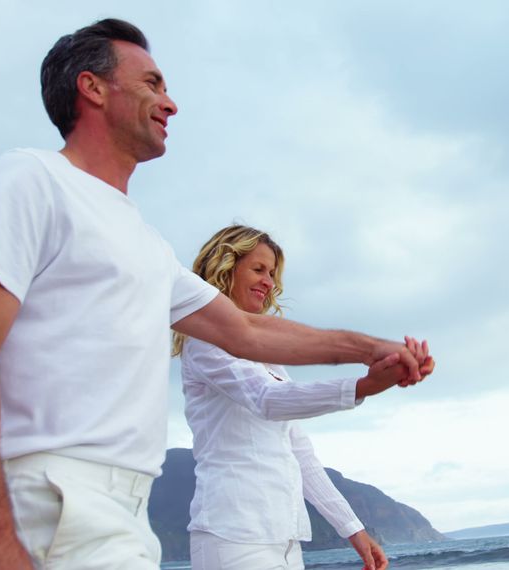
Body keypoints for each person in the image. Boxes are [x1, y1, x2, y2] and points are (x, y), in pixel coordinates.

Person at [0, 19, 432, 570]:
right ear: (91, 87)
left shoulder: (147, 245)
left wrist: (371, 349)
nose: (170, 104)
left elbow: (247, 331)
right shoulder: (28, 179)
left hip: (127, 512)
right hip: (51, 497)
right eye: (151, 83)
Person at [176, 226, 433, 570]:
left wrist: (353, 529)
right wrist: (362, 387)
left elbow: (300, 452)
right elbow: (267, 399)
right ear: (226, 269)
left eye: (272, 274)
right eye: (258, 269)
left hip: (285, 539)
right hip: (233, 535)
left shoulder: (270, 359)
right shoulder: (205, 344)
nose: (269, 282)